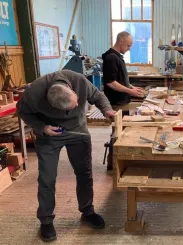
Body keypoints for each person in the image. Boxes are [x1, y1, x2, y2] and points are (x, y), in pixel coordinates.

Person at [16, 70, 115, 242]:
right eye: (70, 108)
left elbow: (98, 97)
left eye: (76, 103)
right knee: (47, 178)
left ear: (72, 90)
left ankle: (87, 211)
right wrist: (42, 127)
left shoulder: (79, 81)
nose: (77, 107)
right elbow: (23, 112)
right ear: (51, 104)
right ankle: (46, 220)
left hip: (78, 131)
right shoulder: (33, 93)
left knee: (84, 173)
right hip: (49, 134)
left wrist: (107, 110)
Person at [102, 31, 144, 113]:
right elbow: (111, 82)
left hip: (122, 102)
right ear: (121, 41)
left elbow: (120, 78)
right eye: (128, 46)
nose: (129, 49)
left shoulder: (117, 56)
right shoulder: (111, 57)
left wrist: (131, 86)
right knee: (119, 125)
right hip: (116, 103)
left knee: (124, 124)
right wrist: (130, 91)